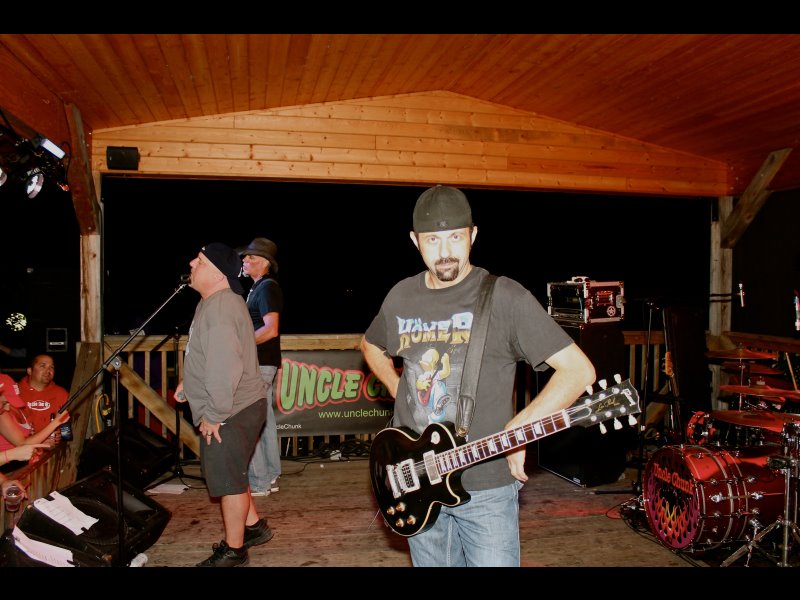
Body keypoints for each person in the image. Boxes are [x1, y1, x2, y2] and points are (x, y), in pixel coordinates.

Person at [360, 185, 596, 567]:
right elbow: (371, 345)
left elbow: (578, 370)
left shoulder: (505, 297)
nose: (445, 251)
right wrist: (396, 384)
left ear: (473, 235)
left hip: (486, 485)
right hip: (413, 478)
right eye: (433, 240)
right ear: (415, 241)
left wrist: (521, 426)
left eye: (455, 237)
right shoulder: (401, 296)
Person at [175, 242, 274, 567]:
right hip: (239, 404)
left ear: (218, 274)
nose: (192, 263)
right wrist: (189, 383)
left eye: (200, 261)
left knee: (229, 482)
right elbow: (208, 353)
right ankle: (253, 527)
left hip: (231, 409)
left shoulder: (219, 309)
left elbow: (225, 366)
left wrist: (214, 415)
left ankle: (235, 550)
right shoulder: (214, 302)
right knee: (234, 470)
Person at [239, 237, 283, 496]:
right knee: (264, 420)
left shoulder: (267, 288)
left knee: (249, 420)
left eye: (251, 257)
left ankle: (259, 482)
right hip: (263, 363)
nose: (245, 260)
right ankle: (271, 475)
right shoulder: (259, 288)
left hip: (260, 364)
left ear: (265, 262)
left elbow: (271, 329)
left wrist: (239, 344)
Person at [0, 371, 68, 458]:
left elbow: (26, 440)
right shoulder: (2, 415)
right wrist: (56, 422)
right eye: (5, 402)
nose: (7, 408)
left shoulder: (18, 408)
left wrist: (41, 442)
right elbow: (22, 444)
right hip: (10, 465)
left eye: (11, 401)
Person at [18, 354, 69, 437]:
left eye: (51, 367)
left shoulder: (61, 393)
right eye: (43, 366)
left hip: (53, 445)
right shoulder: (15, 391)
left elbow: (67, 427)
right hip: (21, 443)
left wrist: (62, 434)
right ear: (30, 371)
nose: (48, 370)